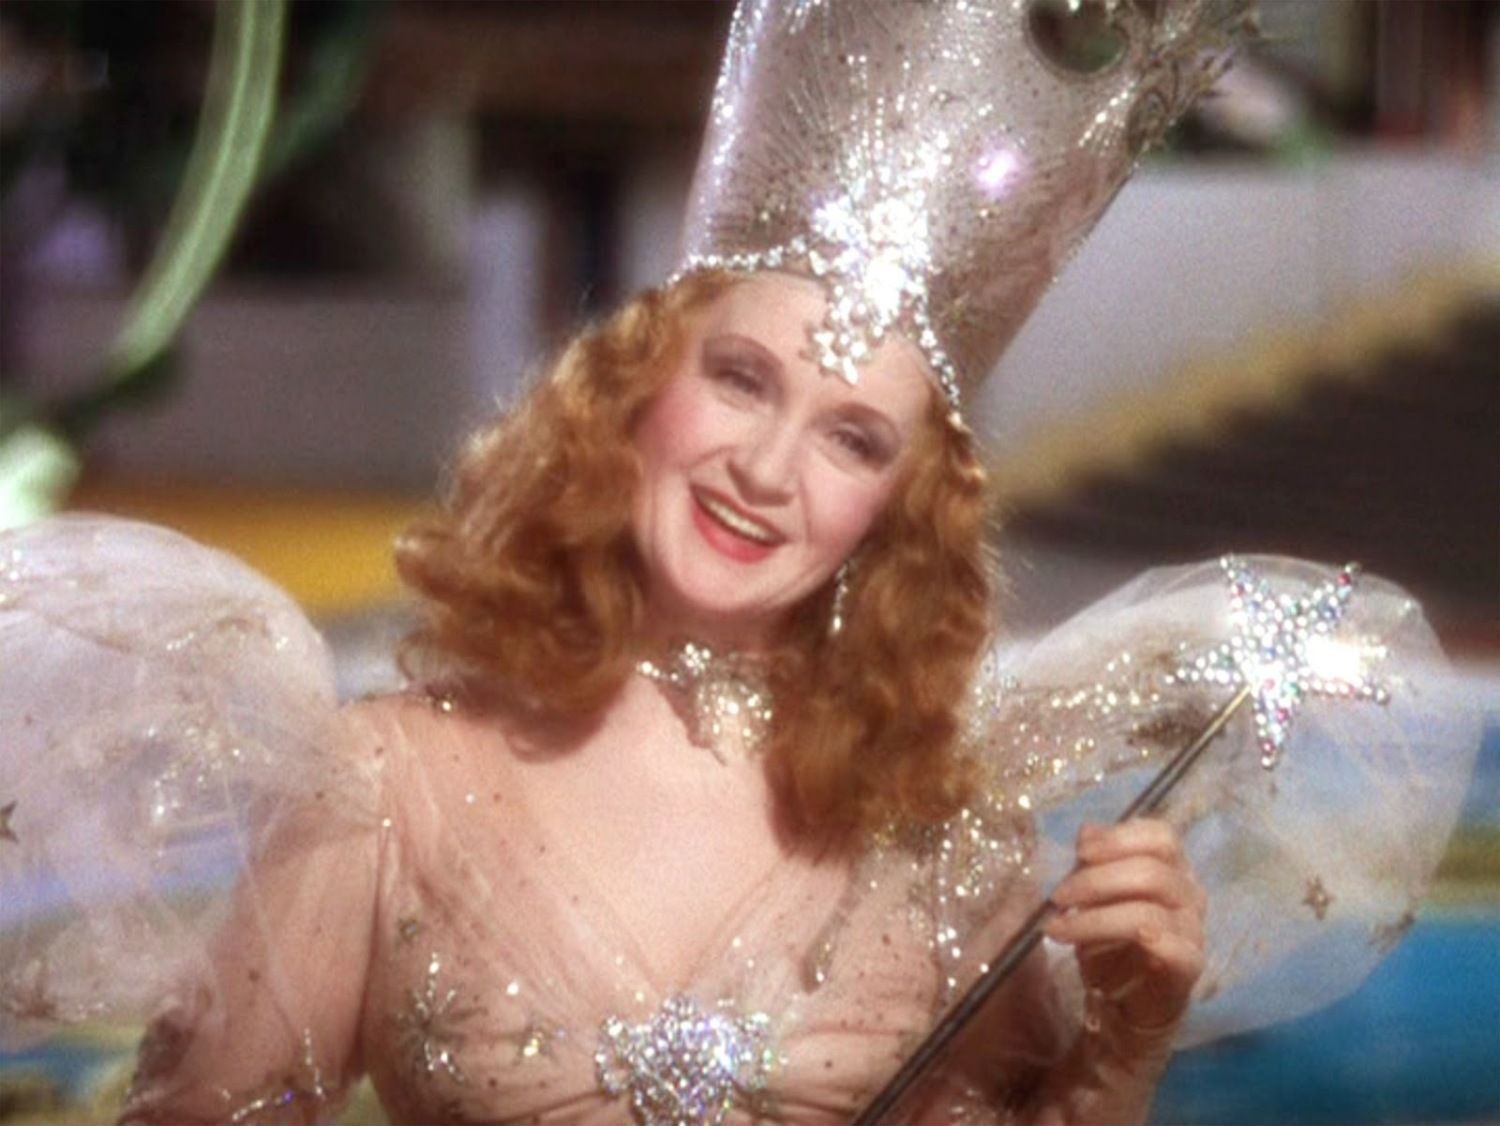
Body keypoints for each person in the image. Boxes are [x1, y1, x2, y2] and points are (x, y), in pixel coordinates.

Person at [0, 2, 1476, 1124]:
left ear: (898, 511)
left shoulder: (946, 847)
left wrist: (1118, 1048)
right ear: (636, 389)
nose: (767, 471)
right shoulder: (379, 784)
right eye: (742, 379)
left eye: (852, 439)